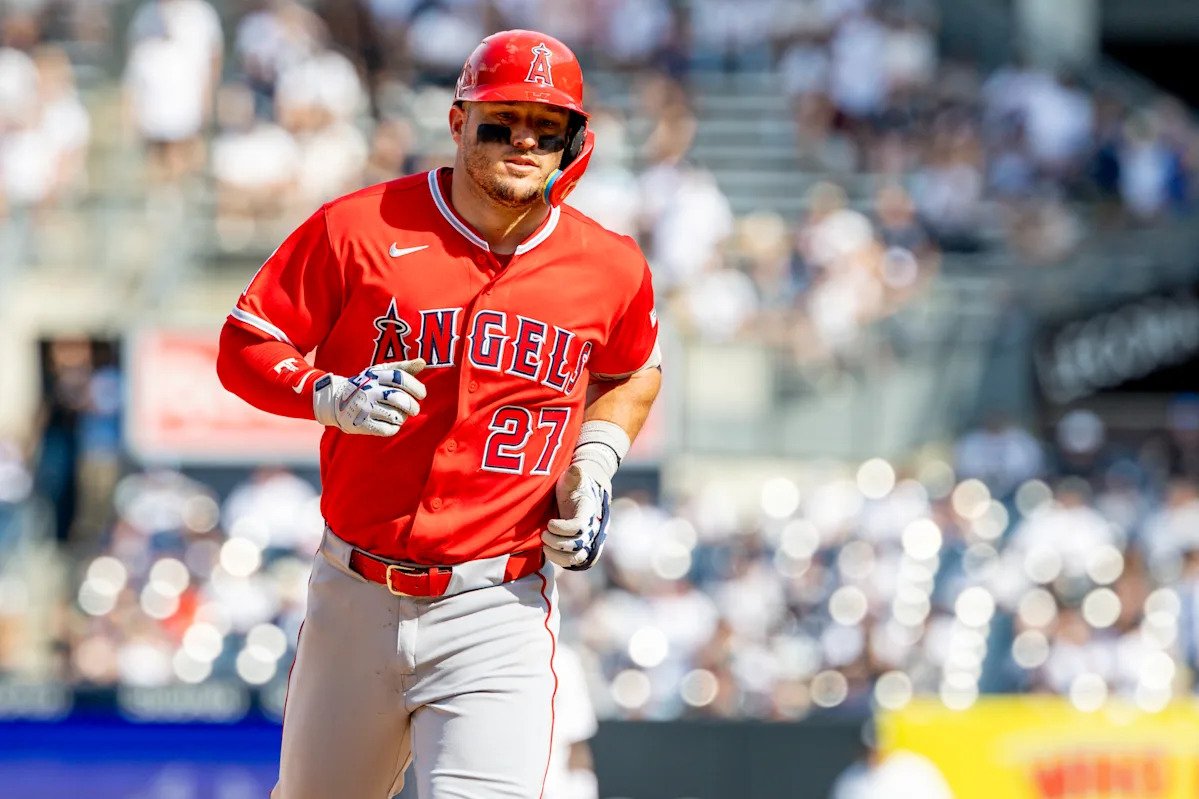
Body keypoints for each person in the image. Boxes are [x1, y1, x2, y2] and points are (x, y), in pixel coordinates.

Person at [215, 29, 661, 799]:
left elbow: (633, 371)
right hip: (354, 595)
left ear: (573, 141)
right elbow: (245, 341)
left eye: (546, 125)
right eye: (502, 120)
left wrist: (595, 463)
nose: (524, 140)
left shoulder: (609, 265)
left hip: (497, 603)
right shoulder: (359, 226)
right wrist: (329, 394)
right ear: (459, 125)